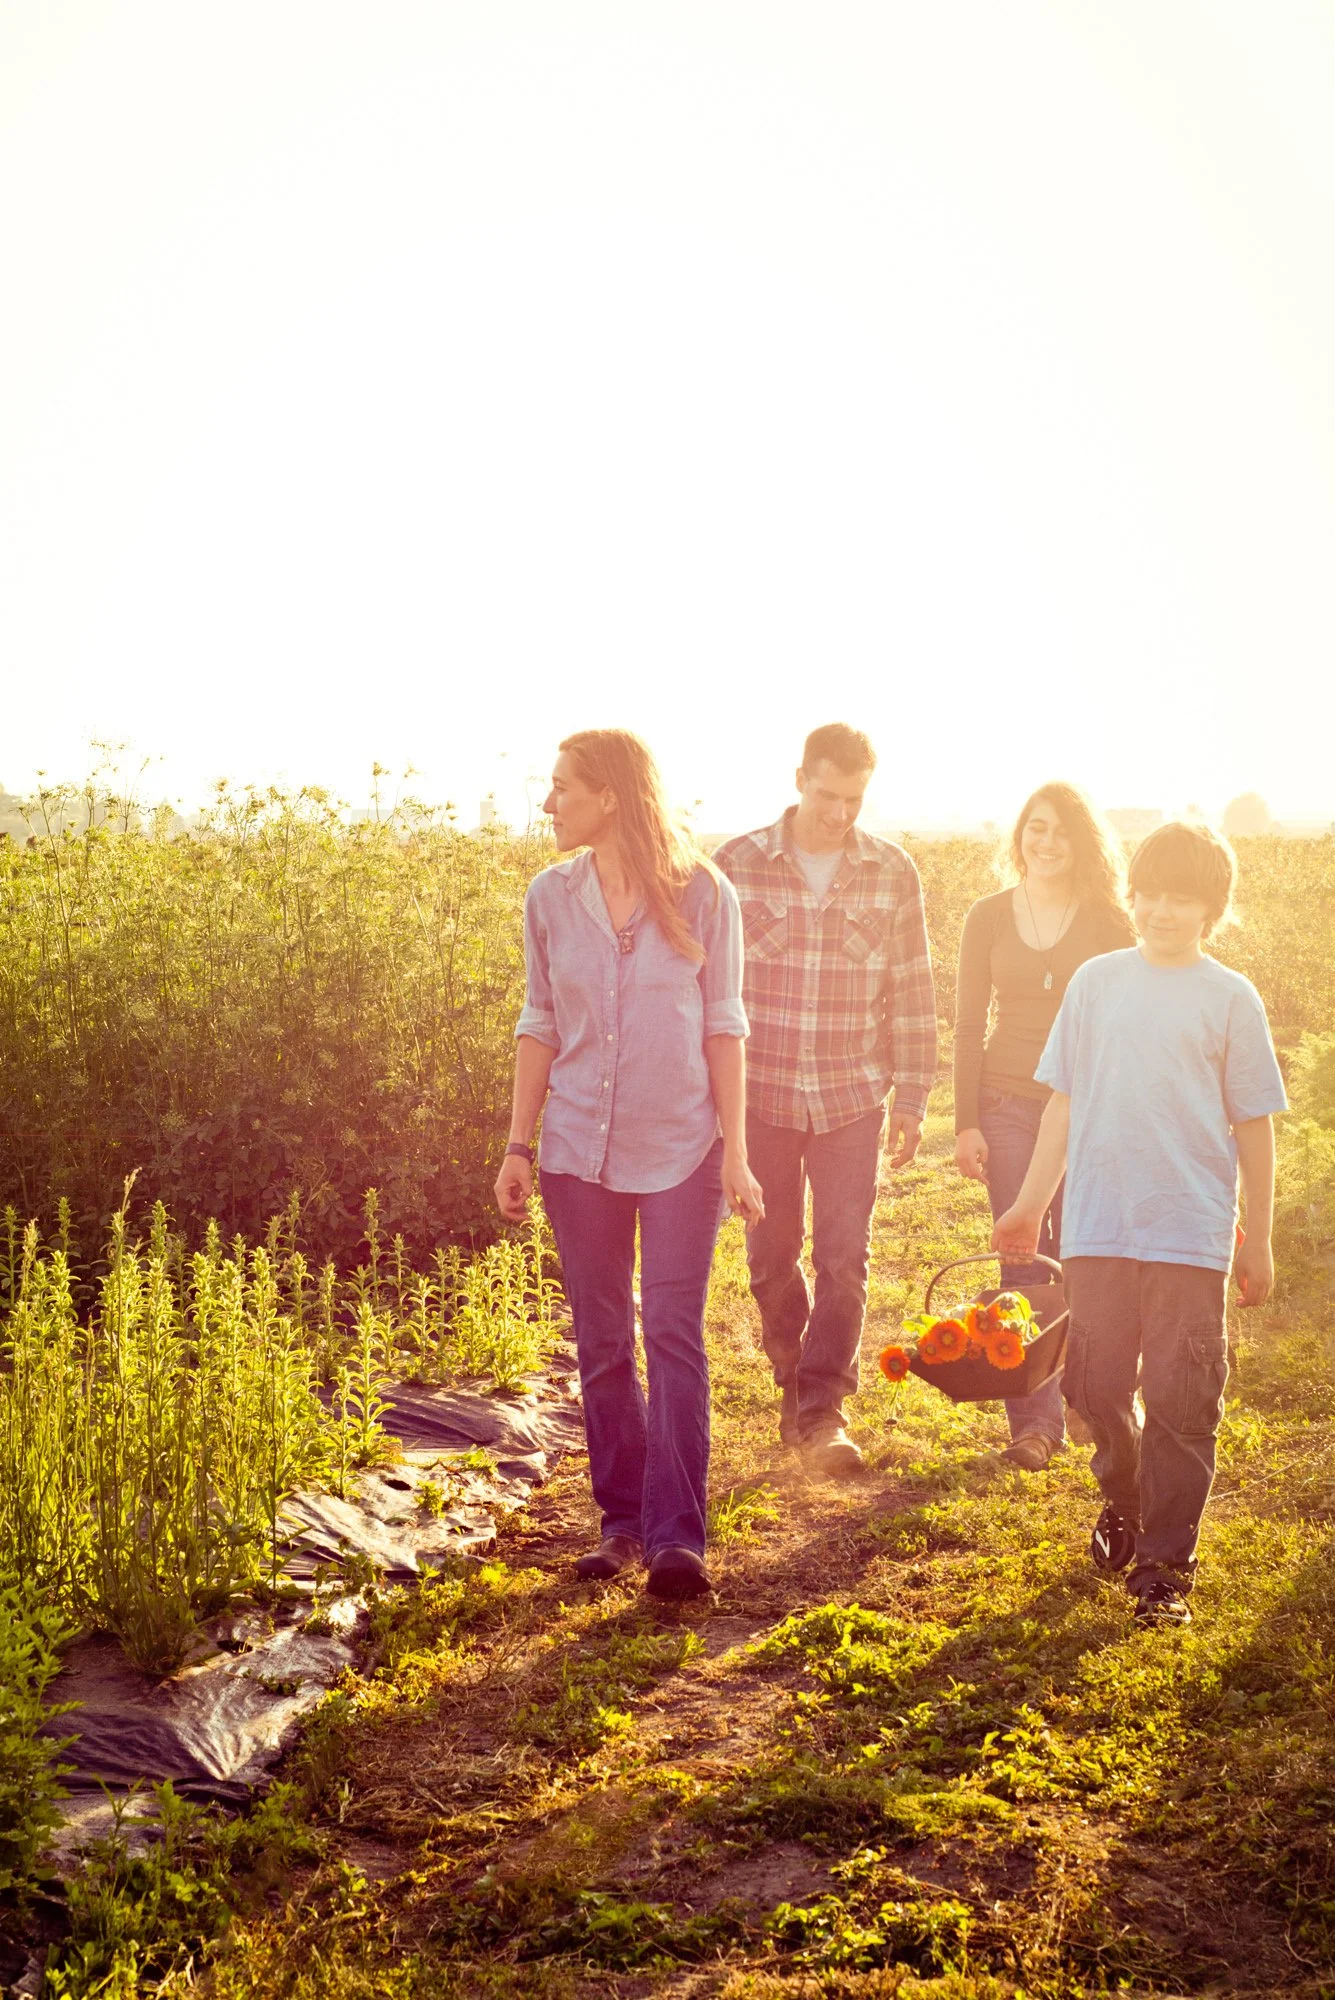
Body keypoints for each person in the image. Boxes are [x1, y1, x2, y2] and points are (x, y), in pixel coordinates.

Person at [993, 821, 1286, 1626]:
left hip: (1189, 1232)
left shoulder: (1229, 997)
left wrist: (1257, 1236)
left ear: (1211, 908)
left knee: (1180, 1398)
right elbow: (1063, 1103)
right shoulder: (1095, 983)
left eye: (1179, 899)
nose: (1159, 911)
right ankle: (1124, 1498)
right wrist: (1028, 1203)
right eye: (1148, 894)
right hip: (1096, 1225)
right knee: (1092, 1385)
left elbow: (1253, 1125)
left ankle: (1162, 1568)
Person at [495, 729, 764, 1602]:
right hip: (578, 1150)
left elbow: (723, 1025)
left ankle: (677, 1537)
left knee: (672, 1332)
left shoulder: (702, 893)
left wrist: (737, 1153)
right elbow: (539, 1021)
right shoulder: (549, 896)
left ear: (609, 795)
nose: (548, 804)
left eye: (561, 787)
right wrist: (518, 1144)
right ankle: (619, 1525)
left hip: (684, 1149)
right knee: (602, 1340)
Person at [714, 723, 936, 1479]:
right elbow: (704, 989)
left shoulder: (890, 870)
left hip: (851, 1095)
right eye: (827, 795)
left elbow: (912, 989)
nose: (840, 813)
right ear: (799, 779)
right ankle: (793, 1378)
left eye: (854, 799)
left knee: (844, 1257)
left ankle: (823, 1408)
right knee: (770, 1255)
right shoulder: (736, 865)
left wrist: (913, 1096)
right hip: (761, 1096)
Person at [954, 783, 1136, 1470]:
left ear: (1082, 842)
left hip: (1087, 1106)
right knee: (1021, 1251)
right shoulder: (988, 916)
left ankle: (1089, 1395)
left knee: (1085, 1251)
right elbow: (968, 1024)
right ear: (1019, 835)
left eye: (1061, 830)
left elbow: (1127, 1022)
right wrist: (965, 1122)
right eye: (1036, 827)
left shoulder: (1108, 921)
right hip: (1004, 1101)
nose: (1047, 841)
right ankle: (1034, 1424)